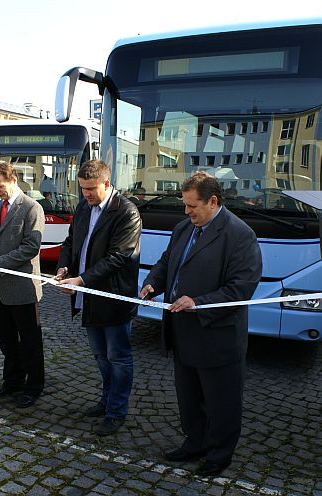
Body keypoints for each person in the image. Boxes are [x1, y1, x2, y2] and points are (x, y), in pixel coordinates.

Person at [140, 171, 262, 477]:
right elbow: (168, 263)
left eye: (192, 206)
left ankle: (219, 454)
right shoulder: (184, 227)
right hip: (184, 333)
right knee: (189, 397)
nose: (186, 211)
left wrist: (199, 303)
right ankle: (194, 442)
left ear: (213, 201)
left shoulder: (240, 235)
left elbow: (241, 288)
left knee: (222, 402)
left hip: (217, 337)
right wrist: (153, 284)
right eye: (184, 204)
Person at [57, 159, 142, 436]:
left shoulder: (127, 212)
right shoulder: (84, 206)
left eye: (91, 189)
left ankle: (116, 412)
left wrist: (81, 280)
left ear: (107, 183)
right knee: (100, 356)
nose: (86, 195)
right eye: (82, 189)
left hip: (114, 298)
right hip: (89, 298)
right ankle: (106, 401)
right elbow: (71, 241)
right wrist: (64, 265)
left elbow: (118, 257)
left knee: (118, 357)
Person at [0, 160, 45, 409]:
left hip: (22, 288)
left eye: (0, 185)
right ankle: (12, 382)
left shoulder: (31, 208)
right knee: (6, 340)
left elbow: (31, 247)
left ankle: (34, 386)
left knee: (29, 341)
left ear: (13, 179)